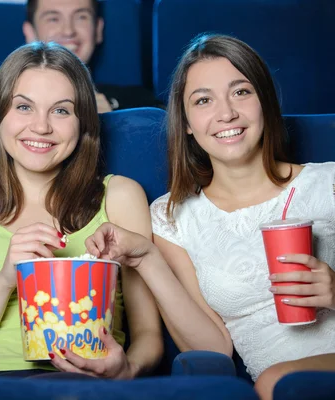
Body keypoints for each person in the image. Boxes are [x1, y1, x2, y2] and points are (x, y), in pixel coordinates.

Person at [84, 34, 335, 400]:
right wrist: (148, 259)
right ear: (185, 122)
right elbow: (212, 349)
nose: (226, 113)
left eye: (241, 92)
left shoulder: (328, 182)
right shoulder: (172, 218)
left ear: (264, 100)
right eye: (203, 100)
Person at [0, 42, 163, 379]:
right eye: (23, 107)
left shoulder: (120, 196)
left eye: (61, 111)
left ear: (83, 124)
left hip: (89, 386)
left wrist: (128, 368)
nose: (41, 127)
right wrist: (5, 281)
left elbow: (149, 336)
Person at [22, 0, 163, 113]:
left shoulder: (140, 104)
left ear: (98, 30)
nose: (68, 31)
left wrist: (111, 123)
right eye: (53, 19)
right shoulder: (5, 102)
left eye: (81, 17)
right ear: (30, 33)